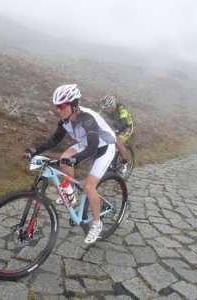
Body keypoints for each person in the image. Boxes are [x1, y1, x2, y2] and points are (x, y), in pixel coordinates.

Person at [25, 84, 116, 244]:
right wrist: (36, 149)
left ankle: (97, 223)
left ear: (73, 106)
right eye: (56, 106)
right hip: (85, 143)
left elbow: (94, 147)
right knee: (64, 159)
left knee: (89, 187)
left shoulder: (87, 118)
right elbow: (54, 140)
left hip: (104, 146)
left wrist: (77, 159)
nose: (58, 110)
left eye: (62, 106)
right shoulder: (64, 121)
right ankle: (71, 191)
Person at [98, 94, 134, 173]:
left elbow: (124, 121)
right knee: (106, 140)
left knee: (118, 142)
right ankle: (111, 161)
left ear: (112, 105)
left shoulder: (121, 108)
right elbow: (96, 116)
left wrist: (117, 130)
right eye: (105, 108)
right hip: (116, 125)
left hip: (126, 126)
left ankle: (125, 163)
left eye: (108, 108)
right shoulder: (105, 109)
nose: (106, 110)